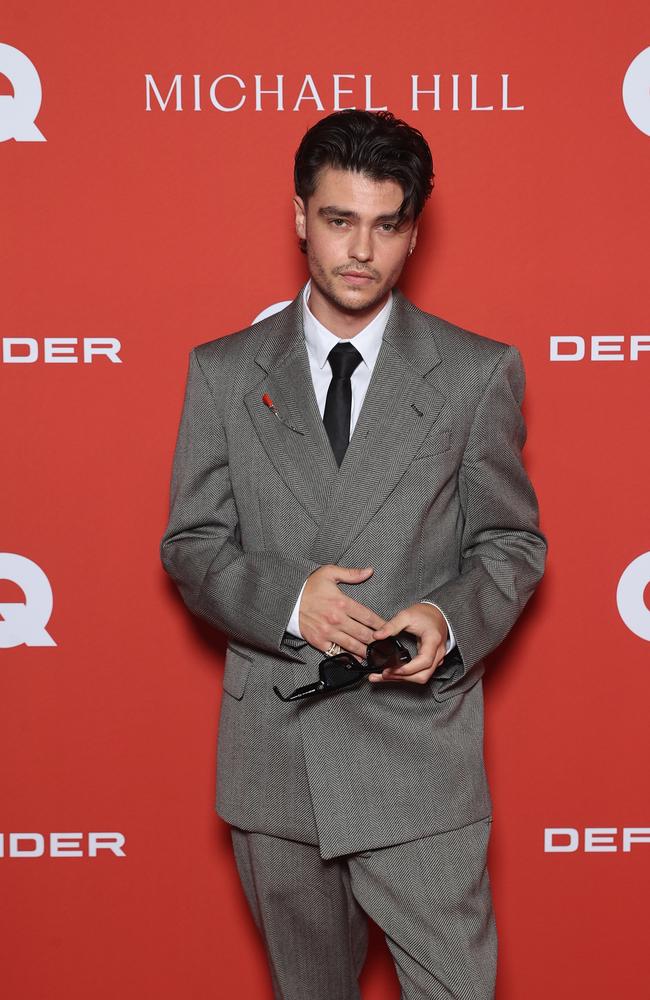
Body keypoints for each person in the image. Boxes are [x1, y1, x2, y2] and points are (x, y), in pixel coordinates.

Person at [160, 109, 547, 1000]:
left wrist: (446, 620)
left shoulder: (475, 371)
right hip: (276, 753)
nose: (360, 250)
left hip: (417, 756)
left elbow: (510, 542)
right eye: (339, 221)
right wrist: (293, 603)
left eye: (386, 224)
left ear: (415, 228)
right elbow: (192, 543)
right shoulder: (224, 371)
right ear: (300, 217)